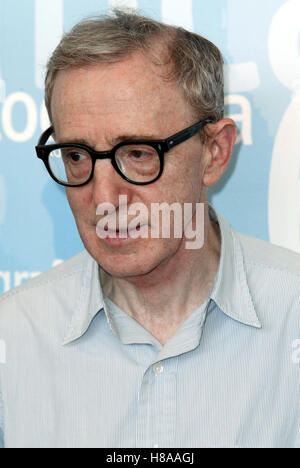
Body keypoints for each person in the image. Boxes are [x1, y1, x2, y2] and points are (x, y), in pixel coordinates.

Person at [0, 9, 299, 449]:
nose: (104, 198)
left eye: (138, 153)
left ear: (214, 152)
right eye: (78, 156)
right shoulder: (14, 334)